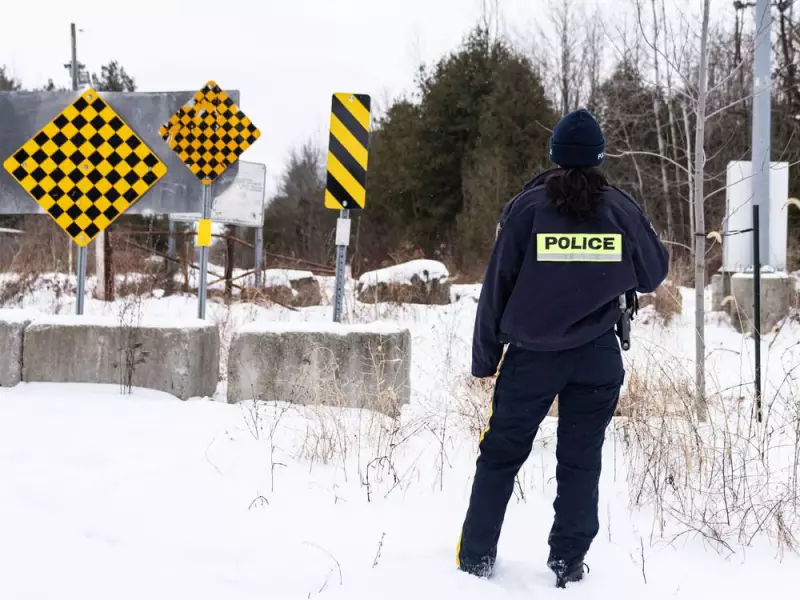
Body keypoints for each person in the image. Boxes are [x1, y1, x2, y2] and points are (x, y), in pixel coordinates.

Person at [455, 108, 669, 588]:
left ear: (554, 156)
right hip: (597, 356)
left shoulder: (526, 210)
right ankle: (568, 564)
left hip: (532, 358)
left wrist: (485, 358)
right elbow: (654, 272)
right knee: (581, 459)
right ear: (598, 159)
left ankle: (474, 562)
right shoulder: (619, 208)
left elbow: (496, 288)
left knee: (500, 456)